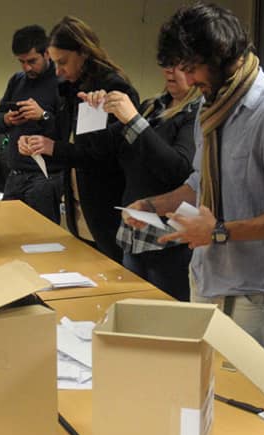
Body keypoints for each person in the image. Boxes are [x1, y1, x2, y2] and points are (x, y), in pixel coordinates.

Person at [123, 2, 264, 358]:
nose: (190, 79)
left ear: (222, 57)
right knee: (203, 392)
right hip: (206, 273)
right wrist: (154, 204)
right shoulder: (211, 107)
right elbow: (201, 179)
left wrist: (219, 231)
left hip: (250, 288)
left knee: (245, 399)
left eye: (193, 68)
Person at [18, 15, 139, 262]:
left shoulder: (113, 89)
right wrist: (37, 143)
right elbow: (66, 138)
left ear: (83, 52)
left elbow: (101, 155)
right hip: (78, 207)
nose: (59, 71)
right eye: (55, 63)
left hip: (107, 206)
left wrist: (55, 148)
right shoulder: (71, 87)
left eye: (63, 62)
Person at [81, 64, 201, 301]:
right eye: (166, 64)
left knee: (167, 321)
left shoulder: (197, 113)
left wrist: (133, 119)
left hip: (168, 241)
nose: (169, 71)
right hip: (134, 235)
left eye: (178, 66)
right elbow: (101, 154)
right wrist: (91, 113)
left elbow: (177, 172)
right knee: (134, 315)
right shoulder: (152, 106)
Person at [0, 25, 62, 222]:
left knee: (43, 238)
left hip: (45, 177)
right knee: (8, 234)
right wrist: (7, 119)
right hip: (15, 175)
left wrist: (43, 115)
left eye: (32, 61)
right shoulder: (17, 80)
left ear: (47, 53)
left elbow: (67, 133)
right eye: (21, 62)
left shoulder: (61, 82)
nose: (26, 67)